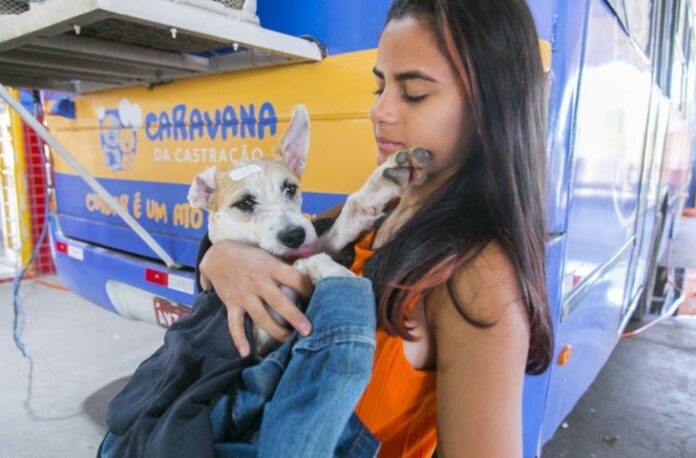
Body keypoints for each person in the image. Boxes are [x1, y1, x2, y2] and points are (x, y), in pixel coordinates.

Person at [199, 0, 554, 456]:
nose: (378, 111)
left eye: (414, 93)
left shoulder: (479, 277)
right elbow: (269, 249)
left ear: (488, 106)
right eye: (379, 86)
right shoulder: (379, 207)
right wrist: (221, 255)